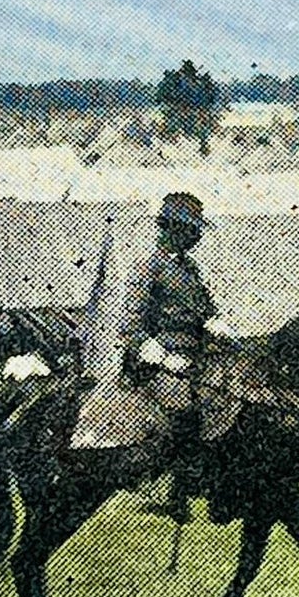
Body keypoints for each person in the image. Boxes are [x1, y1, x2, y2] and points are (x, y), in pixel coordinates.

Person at [121, 192, 217, 523]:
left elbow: (206, 313)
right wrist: (164, 358)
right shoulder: (148, 267)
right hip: (156, 360)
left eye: (197, 230)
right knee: (181, 403)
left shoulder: (191, 269)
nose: (196, 236)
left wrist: (220, 328)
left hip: (196, 356)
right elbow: (130, 326)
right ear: (172, 228)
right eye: (191, 230)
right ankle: (164, 487)